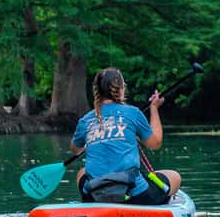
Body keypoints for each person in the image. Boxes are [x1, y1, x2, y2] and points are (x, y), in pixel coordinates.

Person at [70, 67, 182, 205]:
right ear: (121, 88)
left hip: (95, 194)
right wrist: (154, 108)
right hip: (136, 195)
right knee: (175, 177)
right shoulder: (133, 113)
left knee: (82, 172)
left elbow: (76, 150)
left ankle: (93, 204)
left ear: (97, 91)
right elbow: (155, 143)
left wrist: (98, 139)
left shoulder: (85, 120)